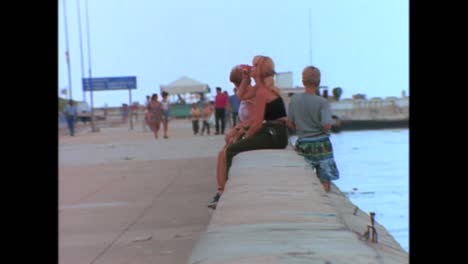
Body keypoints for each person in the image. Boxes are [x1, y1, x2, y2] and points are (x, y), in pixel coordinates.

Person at [208, 56, 291, 208]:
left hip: (274, 134)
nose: (250, 68)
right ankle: (224, 191)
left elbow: (257, 122)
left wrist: (244, 137)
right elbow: (240, 96)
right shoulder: (258, 89)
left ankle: (227, 194)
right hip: (272, 132)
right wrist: (246, 78)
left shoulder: (262, 92)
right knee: (231, 149)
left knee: (232, 149)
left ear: (260, 71)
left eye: (254, 66)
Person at [287, 66, 340, 192]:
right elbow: (326, 125)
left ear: (303, 81)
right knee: (324, 178)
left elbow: (290, 123)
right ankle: (325, 201)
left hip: (304, 143)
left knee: (304, 177)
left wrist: (301, 129)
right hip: (322, 144)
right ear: (319, 82)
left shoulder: (295, 100)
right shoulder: (322, 102)